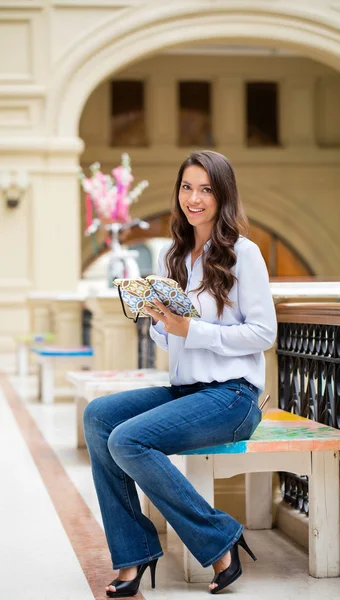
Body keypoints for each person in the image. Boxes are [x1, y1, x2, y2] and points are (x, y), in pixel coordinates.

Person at [83, 150, 277, 597]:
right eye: (187, 187)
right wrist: (161, 322)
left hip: (233, 397)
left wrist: (194, 328)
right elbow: (172, 342)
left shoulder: (244, 254)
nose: (194, 198)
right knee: (99, 417)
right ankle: (133, 553)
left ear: (222, 195)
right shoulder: (175, 254)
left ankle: (218, 537)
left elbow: (263, 333)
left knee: (126, 440)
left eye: (206, 189)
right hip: (187, 391)